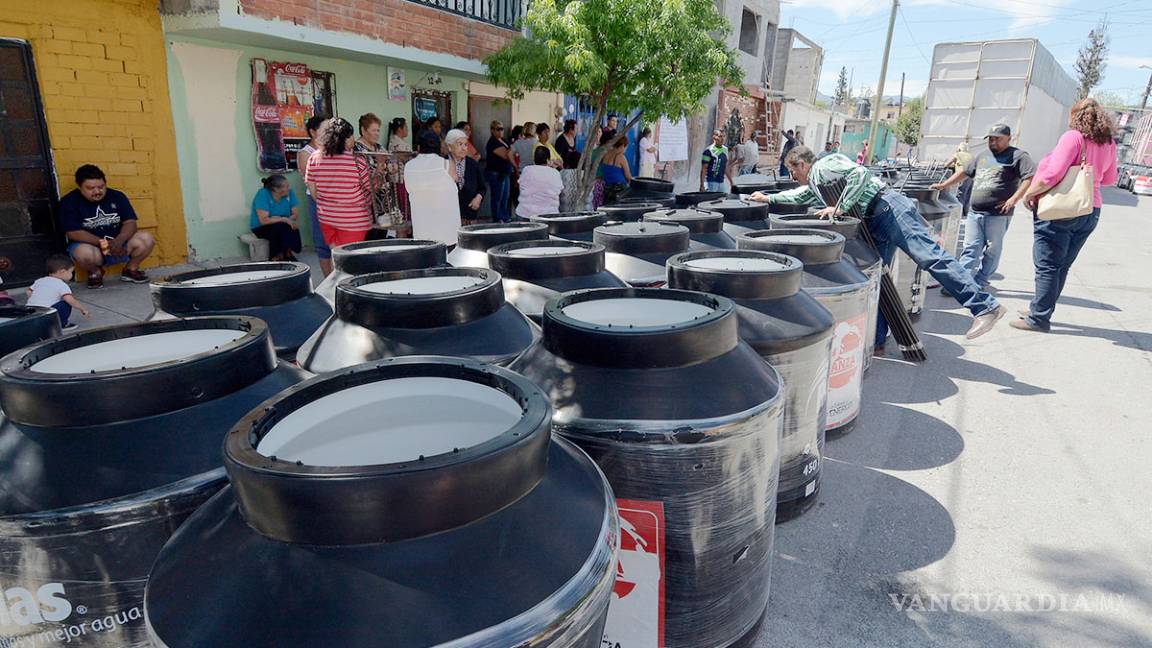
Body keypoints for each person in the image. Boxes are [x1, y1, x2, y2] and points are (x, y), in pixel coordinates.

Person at [747, 146, 1007, 345]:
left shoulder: (825, 165)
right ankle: (877, 340)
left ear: (801, 163)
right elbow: (800, 194)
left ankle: (985, 307)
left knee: (931, 257)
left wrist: (839, 207)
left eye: (793, 171)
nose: (792, 176)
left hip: (889, 209)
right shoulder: (815, 180)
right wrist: (768, 198)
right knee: (876, 280)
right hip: (876, 218)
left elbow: (859, 173)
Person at [1013, 99, 1118, 333]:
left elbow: (1052, 174)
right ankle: (1040, 309)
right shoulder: (1109, 142)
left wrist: (1030, 192)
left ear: (1075, 115)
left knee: (1048, 265)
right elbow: (1110, 179)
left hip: (1061, 209)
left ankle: (1038, 318)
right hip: (1091, 209)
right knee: (1061, 267)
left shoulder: (1073, 137)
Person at [932, 124, 1035, 292]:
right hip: (975, 212)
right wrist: (944, 184)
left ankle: (981, 281)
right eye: (991, 139)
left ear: (1009, 138)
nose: (993, 142)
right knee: (970, 248)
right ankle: (960, 282)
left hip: (998, 214)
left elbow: (1029, 177)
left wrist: (1014, 199)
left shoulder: (1018, 156)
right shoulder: (983, 156)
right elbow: (966, 172)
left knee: (992, 249)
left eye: (998, 139)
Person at [60, 164, 155, 288]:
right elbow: (73, 232)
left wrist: (119, 241)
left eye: (101, 187)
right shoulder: (69, 202)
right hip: (93, 247)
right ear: (80, 187)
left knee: (146, 238)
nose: (97, 191)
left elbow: (130, 223)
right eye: (90, 188)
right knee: (83, 253)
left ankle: (131, 270)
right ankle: (95, 272)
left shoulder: (117, 196)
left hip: (119, 245)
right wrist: (104, 244)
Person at [305, 117, 373, 248]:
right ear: (345, 138)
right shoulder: (357, 161)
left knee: (335, 255)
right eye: (351, 135)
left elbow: (313, 190)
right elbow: (371, 187)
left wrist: (328, 205)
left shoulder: (314, 157)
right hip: (353, 220)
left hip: (326, 218)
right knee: (350, 260)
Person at [404, 131, 460, 245]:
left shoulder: (409, 166)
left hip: (422, 232)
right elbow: (456, 181)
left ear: (419, 147)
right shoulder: (447, 165)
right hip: (448, 234)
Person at [298, 115, 332, 275]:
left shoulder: (332, 150)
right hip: (316, 199)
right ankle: (328, 279)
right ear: (312, 132)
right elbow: (309, 178)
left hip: (336, 199)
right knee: (322, 241)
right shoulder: (305, 153)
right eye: (324, 129)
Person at [26, 254, 89, 330]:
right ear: (62, 271)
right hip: (46, 314)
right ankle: (61, 324)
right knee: (65, 304)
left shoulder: (40, 281)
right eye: (71, 272)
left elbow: (29, 292)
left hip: (30, 312)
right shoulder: (61, 284)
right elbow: (69, 300)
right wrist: (82, 308)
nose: (71, 275)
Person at [250, 174, 302, 261]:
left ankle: (288, 252)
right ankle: (277, 256)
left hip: (283, 224)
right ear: (276, 189)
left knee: (290, 227)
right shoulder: (263, 194)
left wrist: (287, 220)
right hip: (261, 227)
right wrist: (283, 219)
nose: (289, 188)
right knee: (280, 227)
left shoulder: (290, 193)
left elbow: (295, 214)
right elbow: (264, 220)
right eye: (286, 186)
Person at [446, 128, 485, 224]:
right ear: (450, 147)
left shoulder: (472, 164)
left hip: (470, 215)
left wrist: (478, 198)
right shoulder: (443, 164)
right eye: (460, 144)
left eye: (465, 144)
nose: (464, 148)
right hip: (448, 216)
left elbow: (482, 188)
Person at [517, 147, 564, 219]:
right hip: (549, 215)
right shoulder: (555, 173)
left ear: (534, 159)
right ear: (548, 160)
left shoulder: (526, 170)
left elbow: (521, 184)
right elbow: (560, 190)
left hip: (525, 213)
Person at [485, 120, 514, 222]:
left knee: (505, 196)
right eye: (498, 129)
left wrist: (511, 152)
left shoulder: (504, 140)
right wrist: (511, 152)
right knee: (497, 197)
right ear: (492, 130)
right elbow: (507, 155)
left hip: (505, 173)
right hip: (496, 173)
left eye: (502, 129)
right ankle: (497, 218)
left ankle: (504, 216)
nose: (501, 131)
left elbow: (512, 152)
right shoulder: (492, 142)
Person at [600, 133, 633, 204]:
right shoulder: (621, 157)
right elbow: (628, 176)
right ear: (622, 146)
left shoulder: (606, 154)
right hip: (620, 189)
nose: (626, 149)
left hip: (607, 188)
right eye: (626, 147)